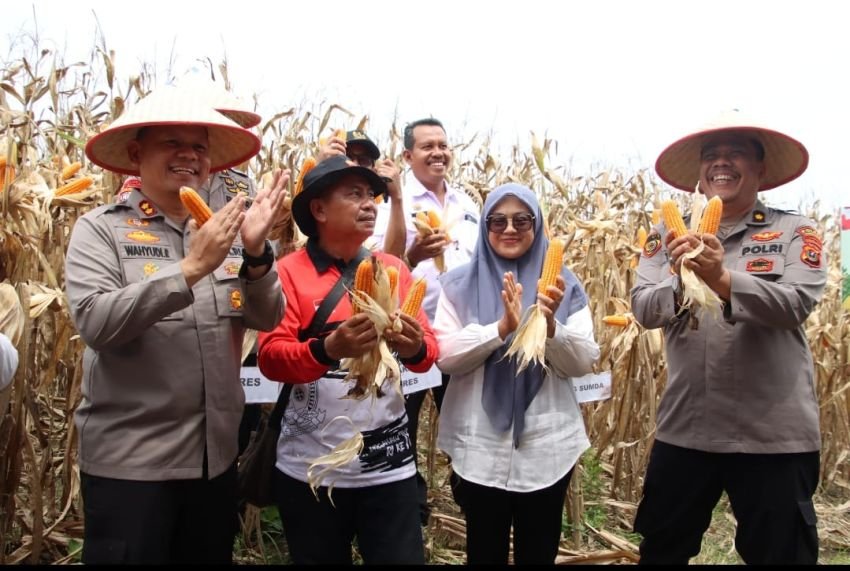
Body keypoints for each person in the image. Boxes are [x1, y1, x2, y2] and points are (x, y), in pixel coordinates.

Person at [65, 85, 288, 565]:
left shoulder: (228, 233)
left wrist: (254, 255)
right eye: (172, 143)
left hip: (214, 462)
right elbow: (97, 323)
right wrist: (190, 268)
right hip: (133, 466)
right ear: (135, 153)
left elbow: (268, 316)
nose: (189, 155)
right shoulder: (100, 230)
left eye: (200, 146)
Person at [631, 109, 825, 565]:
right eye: (712, 155)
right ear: (700, 171)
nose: (722, 163)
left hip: (772, 435)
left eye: (735, 153)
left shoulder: (796, 232)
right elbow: (643, 307)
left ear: (760, 169)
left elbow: (794, 304)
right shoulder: (665, 234)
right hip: (687, 428)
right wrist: (683, 280)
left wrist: (720, 277)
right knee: (661, 550)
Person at [256, 155, 438, 565]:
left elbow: (428, 355)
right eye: (353, 194)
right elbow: (270, 358)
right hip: (311, 473)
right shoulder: (286, 273)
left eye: (371, 195)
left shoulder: (391, 269)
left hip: (389, 470)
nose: (370, 203)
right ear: (318, 209)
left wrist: (412, 348)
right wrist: (327, 349)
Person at [433, 183, 599, 564]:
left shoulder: (565, 286)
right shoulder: (457, 285)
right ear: (485, 226)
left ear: (537, 225)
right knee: (484, 553)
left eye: (522, 220)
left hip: (548, 447)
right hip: (479, 448)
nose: (510, 229)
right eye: (498, 220)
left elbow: (582, 361)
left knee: (538, 553)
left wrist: (551, 325)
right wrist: (501, 329)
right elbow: (445, 357)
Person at [369, 117, 480, 523]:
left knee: (467, 425)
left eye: (443, 145)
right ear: (407, 155)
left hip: (460, 336)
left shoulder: (467, 204)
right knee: (403, 424)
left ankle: (472, 502)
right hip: (409, 336)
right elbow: (379, 268)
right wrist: (413, 255)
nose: (438, 152)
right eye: (427, 146)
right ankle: (408, 512)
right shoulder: (389, 201)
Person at [316, 129, 407, 257]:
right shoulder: (324, 203)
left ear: (374, 169)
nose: (355, 164)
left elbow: (391, 265)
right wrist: (319, 169)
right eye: (347, 156)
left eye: (364, 160)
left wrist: (397, 198)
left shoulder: (384, 210)